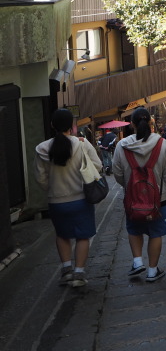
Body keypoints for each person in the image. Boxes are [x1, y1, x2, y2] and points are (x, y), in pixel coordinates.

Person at [112, 107, 166, 283]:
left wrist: (130, 187)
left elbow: (117, 173)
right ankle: (152, 271)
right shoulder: (161, 144)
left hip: (133, 200)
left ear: (132, 124)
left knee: (134, 229)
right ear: (151, 123)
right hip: (159, 201)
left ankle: (137, 262)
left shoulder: (122, 145)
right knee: (155, 234)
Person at [34, 108, 103, 288]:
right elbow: (97, 166)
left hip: (56, 201)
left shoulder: (42, 148)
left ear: (52, 125)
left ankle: (66, 271)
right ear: (72, 126)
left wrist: (51, 189)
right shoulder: (82, 144)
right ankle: (79, 273)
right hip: (81, 199)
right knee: (82, 236)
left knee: (62, 235)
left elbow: (40, 178)